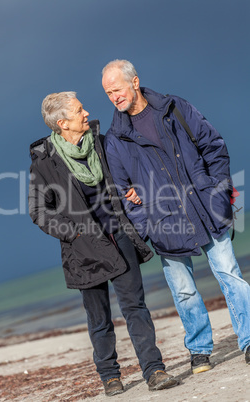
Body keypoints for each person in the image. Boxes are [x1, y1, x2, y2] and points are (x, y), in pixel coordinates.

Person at [101, 59, 250, 373]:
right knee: (184, 291)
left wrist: (219, 190)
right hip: (165, 224)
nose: (114, 97)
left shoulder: (174, 107)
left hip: (206, 208)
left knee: (230, 275)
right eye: (108, 93)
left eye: (117, 89)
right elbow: (122, 192)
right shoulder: (115, 139)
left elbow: (213, 145)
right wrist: (149, 225)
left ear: (135, 81)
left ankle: (248, 340)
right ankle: (199, 351)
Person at [28, 91, 179, 396]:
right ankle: (110, 376)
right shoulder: (44, 162)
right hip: (82, 250)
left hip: (118, 236)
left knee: (136, 307)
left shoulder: (101, 141)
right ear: (62, 122)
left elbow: (127, 171)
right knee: (99, 318)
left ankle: (154, 370)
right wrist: (74, 233)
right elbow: (38, 211)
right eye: (79, 110)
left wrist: (133, 188)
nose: (86, 113)